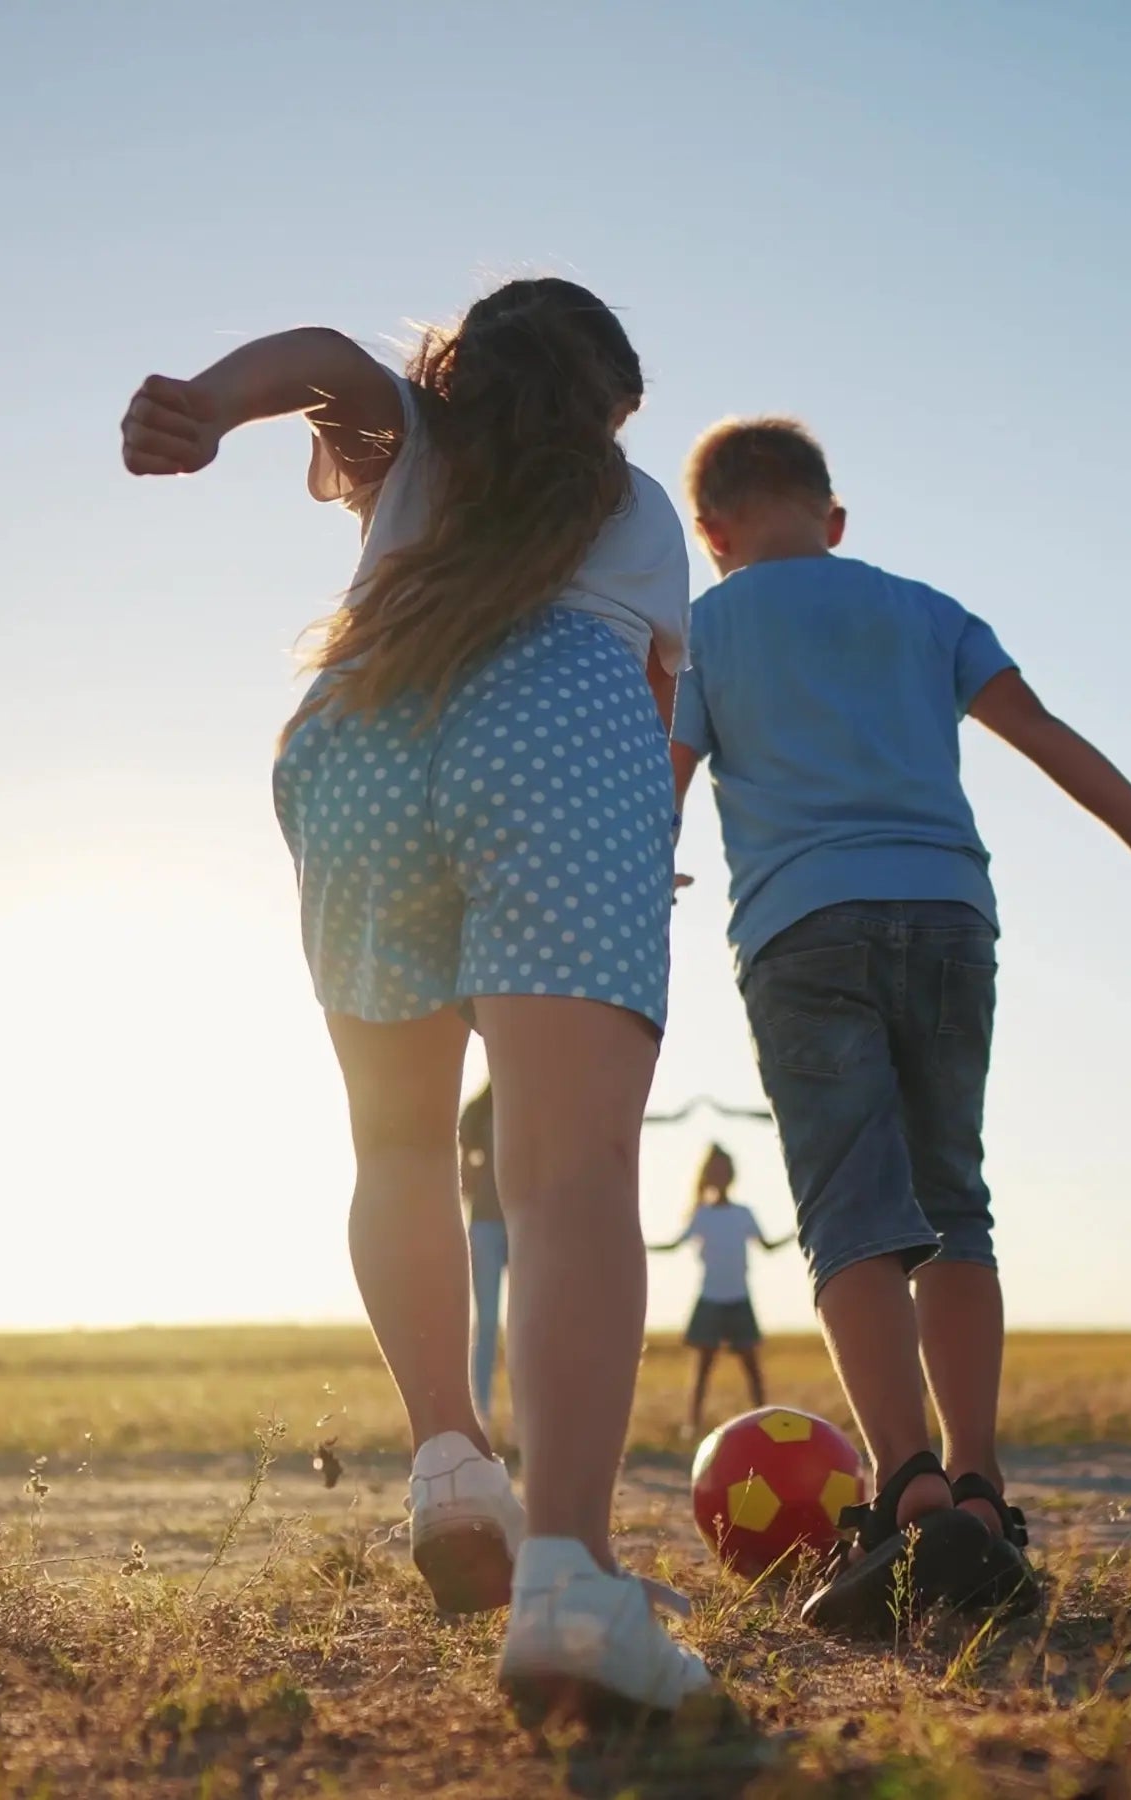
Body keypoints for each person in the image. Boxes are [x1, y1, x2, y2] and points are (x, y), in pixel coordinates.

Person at [117, 277, 718, 1720]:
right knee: (566, 1169)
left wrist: (210, 404)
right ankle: (570, 1581)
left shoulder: (415, 446)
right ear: (607, 410)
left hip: (360, 731)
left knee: (395, 1142)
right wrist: (638, 841)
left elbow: (325, 358)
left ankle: (449, 1458)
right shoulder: (635, 508)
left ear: (458, 369)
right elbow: (654, 714)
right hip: (559, 731)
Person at [671, 416, 1131, 1636]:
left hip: (802, 929)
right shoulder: (927, 610)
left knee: (851, 1209)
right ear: (836, 519)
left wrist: (636, 866)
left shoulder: (706, 625)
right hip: (947, 916)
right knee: (952, 1200)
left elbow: (661, 774)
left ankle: (906, 1486)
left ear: (711, 533)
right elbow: (1039, 730)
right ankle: (981, 1490)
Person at [651, 1144, 791, 1438]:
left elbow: (767, 1246)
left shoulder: (744, 1214)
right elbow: (674, 1244)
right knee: (702, 1369)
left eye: (726, 1170)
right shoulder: (701, 1215)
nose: (722, 1176)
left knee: (752, 1369)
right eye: (716, 1170)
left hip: (739, 1298)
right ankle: (692, 1425)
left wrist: (798, 1232)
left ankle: (765, 1424)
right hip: (710, 1299)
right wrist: (639, 1243)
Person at [458, 1084, 507, 1439]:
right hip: (487, 1224)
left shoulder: (535, 1100)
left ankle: (530, 1418)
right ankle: (482, 1415)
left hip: (527, 1225)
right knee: (487, 1322)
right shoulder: (477, 1111)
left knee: (529, 1321)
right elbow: (464, 1170)